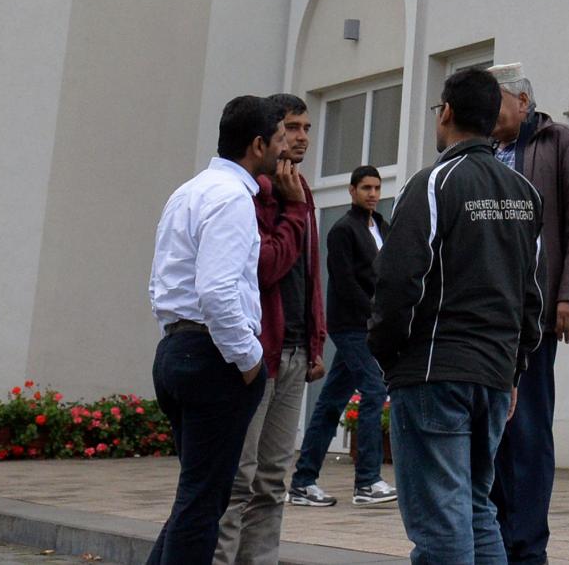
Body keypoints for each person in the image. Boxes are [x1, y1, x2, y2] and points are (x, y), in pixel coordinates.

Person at [372, 64, 545, 565]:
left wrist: (389, 357)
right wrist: (514, 370)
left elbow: (399, 280)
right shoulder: (524, 195)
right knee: (475, 508)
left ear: (445, 113)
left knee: (440, 522)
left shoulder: (433, 183)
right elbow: (532, 296)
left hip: (433, 373)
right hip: (492, 376)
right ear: (493, 119)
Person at [146, 95, 287, 565]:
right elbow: (217, 292)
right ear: (257, 144)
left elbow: (162, 283)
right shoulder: (232, 198)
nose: (284, 149)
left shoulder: (188, 191)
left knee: (195, 497)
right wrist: (250, 361)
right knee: (203, 505)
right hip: (214, 358)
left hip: (176, 349)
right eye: (280, 138)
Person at [487, 70, 569, 565]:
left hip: (534, 316)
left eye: (494, 103)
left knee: (528, 431)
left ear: (523, 100)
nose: (486, 114)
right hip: (484, 319)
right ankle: (490, 538)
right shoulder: (478, 154)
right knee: (490, 434)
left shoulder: (562, 143)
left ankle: (527, 547)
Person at [214, 95, 324, 565]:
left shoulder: (302, 189)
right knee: (239, 479)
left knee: (274, 479)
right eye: (292, 127)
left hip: (297, 352)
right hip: (259, 355)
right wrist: (294, 211)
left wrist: (317, 340)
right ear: (270, 135)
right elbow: (265, 268)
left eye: (307, 127)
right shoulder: (256, 191)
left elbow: (311, 274)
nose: (300, 137)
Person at [290, 165, 396, 509]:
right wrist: (376, 316)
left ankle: (302, 481)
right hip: (353, 325)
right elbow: (346, 283)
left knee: (331, 401)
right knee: (374, 389)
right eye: (366, 187)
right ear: (352, 191)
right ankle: (366, 481)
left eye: (377, 188)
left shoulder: (381, 226)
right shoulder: (342, 230)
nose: (372, 194)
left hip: (371, 324)